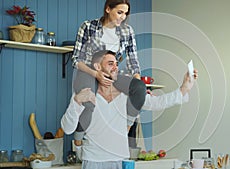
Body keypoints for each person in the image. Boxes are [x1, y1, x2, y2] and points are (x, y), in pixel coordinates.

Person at [61, 50, 198, 169]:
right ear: (97, 67)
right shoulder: (84, 93)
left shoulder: (125, 95)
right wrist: (76, 101)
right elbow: (67, 128)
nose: (115, 67)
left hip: (121, 160)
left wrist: (184, 88)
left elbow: (157, 103)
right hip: (93, 161)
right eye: (110, 64)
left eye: (116, 64)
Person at [71, 0, 144, 146]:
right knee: (89, 100)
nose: (122, 17)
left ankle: (125, 129)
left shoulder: (127, 31)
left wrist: (138, 82)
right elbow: (76, 60)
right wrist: (96, 74)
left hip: (112, 74)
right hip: (89, 72)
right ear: (108, 9)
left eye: (125, 13)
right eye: (119, 12)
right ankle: (78, 141)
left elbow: (133, 62)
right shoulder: (88, 27)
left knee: (139, 88)